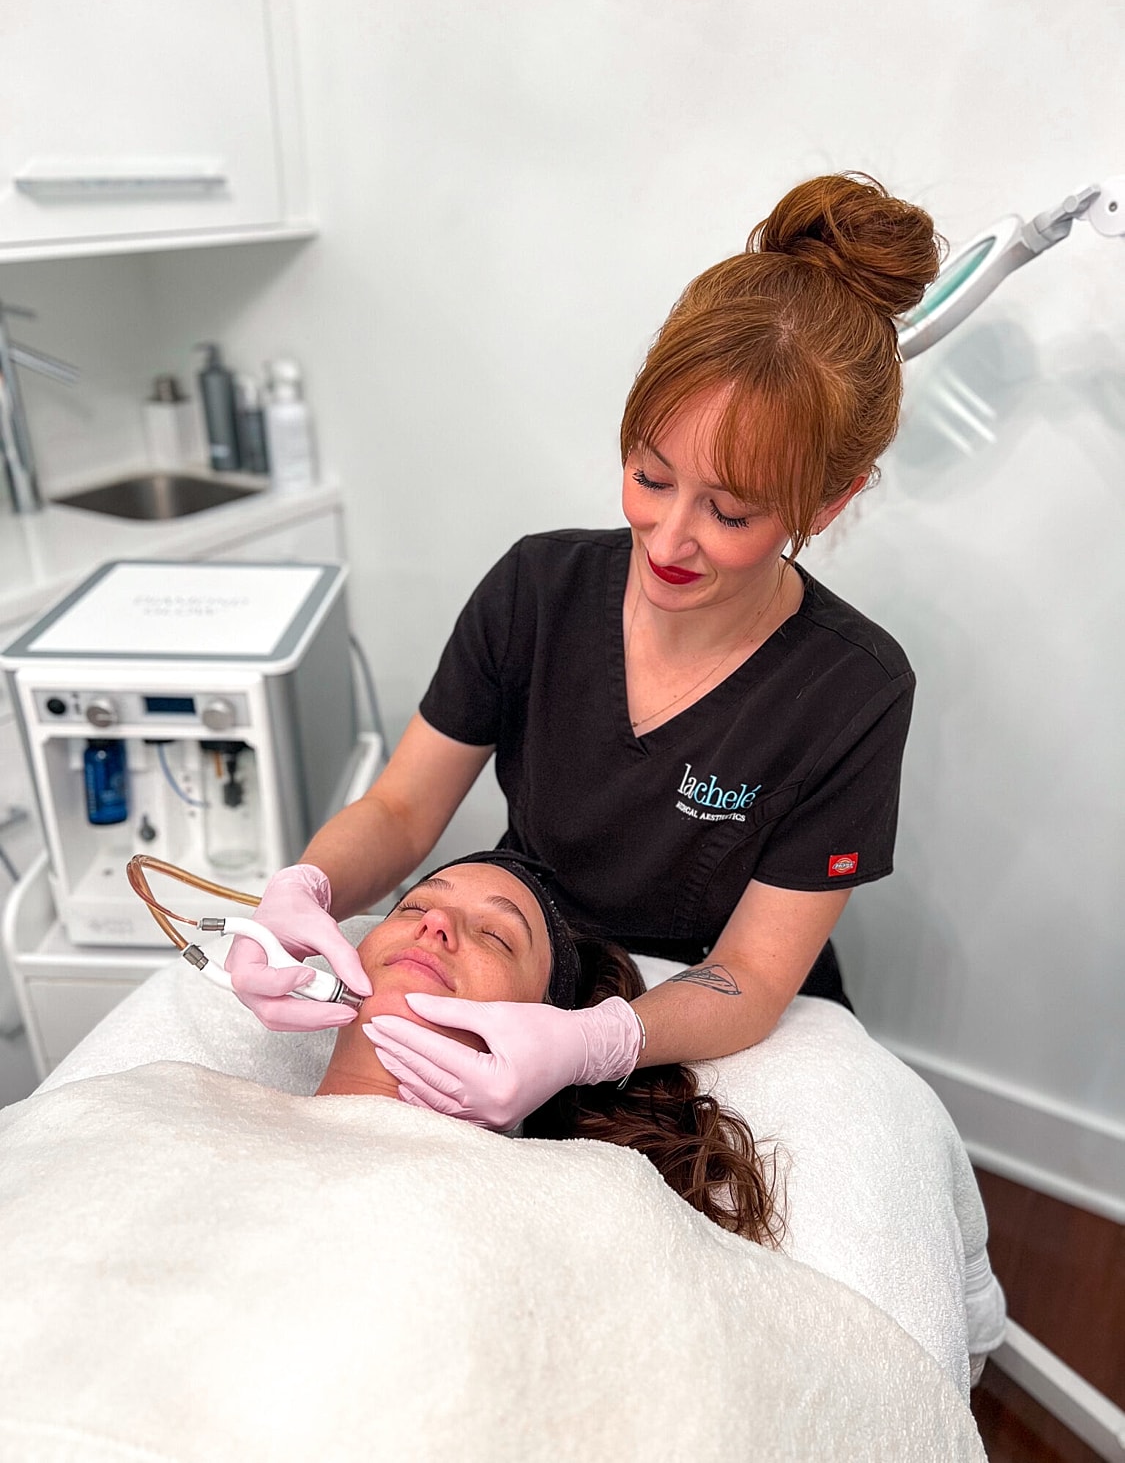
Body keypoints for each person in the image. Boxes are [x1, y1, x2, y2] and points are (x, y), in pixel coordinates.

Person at [226, 170, 943, 1131]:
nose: (668, 536)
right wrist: (302, 888)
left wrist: (598, 1041)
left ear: (828, 503)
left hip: (692, 1010)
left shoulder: (850, 689)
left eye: (728, 511)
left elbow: (753, 973)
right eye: (649, 474)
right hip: (528, 959)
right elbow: (401, 811)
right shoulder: (539, 589)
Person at [316, 850, 780, 1243]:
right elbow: (398, 808)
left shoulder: (564, 1219)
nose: (435, 922)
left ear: (541, 1025)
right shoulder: (242, 1116)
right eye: (412, 907)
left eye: (496, 936)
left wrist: (597, 1039)